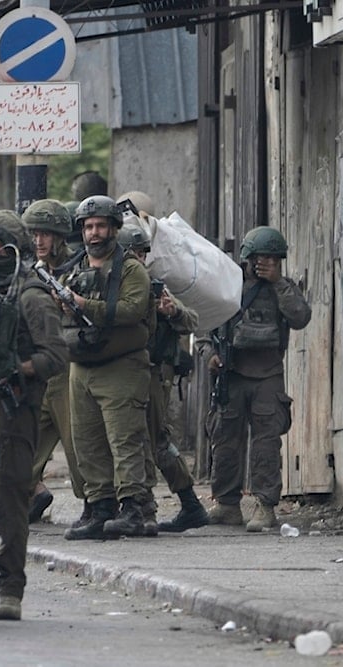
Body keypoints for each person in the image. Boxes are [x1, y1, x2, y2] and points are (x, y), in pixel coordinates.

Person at [0, 210, 67, 621]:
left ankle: (10, 588)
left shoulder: (30, 295)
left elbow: (55, 356)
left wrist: (17, 369)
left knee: (9, 501)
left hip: (12, 409)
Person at [202, 226, 311, 532]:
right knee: (224, 439)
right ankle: (226, 504)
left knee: (265, 443)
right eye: (260, 258)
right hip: (232, 373)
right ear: (247, 258)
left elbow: (301, 317)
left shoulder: (282, 288)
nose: (265, 263)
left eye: (273, 259)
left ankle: (265, 506)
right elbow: (203, 323)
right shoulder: (228, 285)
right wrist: (209, 354)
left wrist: (277, 282)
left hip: (267, 375)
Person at [61, 195, 155, 540]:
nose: (94, 233)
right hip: (82, 365)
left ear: (114, 228)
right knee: (86, 440)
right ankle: (98, 506)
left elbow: (132, 309)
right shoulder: (75, 267)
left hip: (121, 365)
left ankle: (133, 508)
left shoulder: (130, 268)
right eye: (88, 226)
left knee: (124, 439)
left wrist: (87, 305)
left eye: (101, 225)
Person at [116, 220, 209, 534]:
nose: (136, 259)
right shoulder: (112, 283)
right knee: (136, 440)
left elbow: (192, 320)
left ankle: (167, 505)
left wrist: (172, 311)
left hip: (155, 373)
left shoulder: (155, 286)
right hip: (125, 372)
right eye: (130, 253)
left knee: (153, 440)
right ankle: (151, 506)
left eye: (141, 253)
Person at [21, 199, 87, 522]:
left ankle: (94, 503)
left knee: (77, 442)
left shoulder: (78, 269)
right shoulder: (32, 271)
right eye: (33, 234)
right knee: (28, 440)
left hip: (69, 366)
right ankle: (23, 497)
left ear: (60, 236)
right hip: (41, 366)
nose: (39, 241)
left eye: (46, 234)